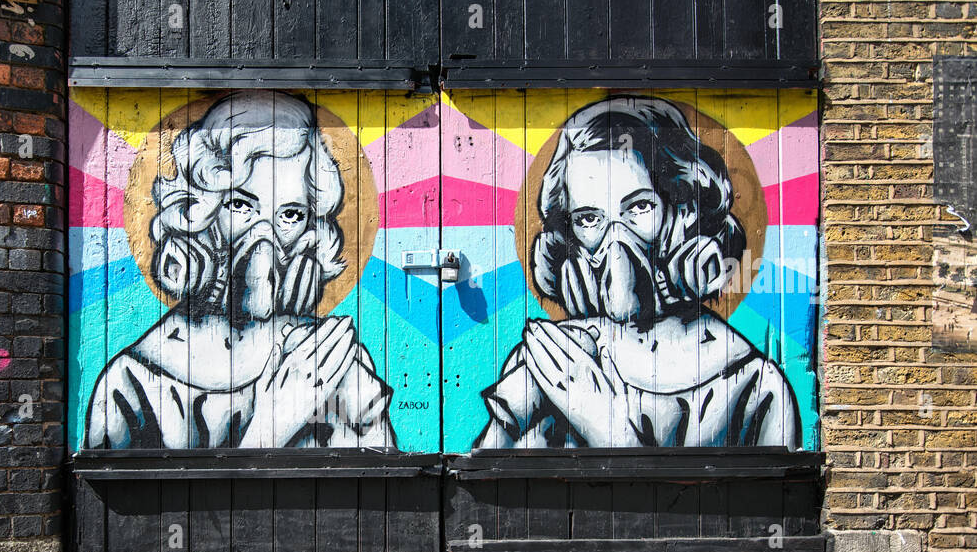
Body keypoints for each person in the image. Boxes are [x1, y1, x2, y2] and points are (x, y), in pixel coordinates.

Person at [475, 96, 801, 449]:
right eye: (589, 218)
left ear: (683, 210)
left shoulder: (755, 384)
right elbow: (491, 486)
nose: (616, 241)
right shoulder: (554, 358)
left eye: (639, 207)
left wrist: (608, 428)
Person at [85, 91, 395, 450]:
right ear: (197, 213)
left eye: (290, 214)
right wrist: (272, 426)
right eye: (240, 204)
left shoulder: (328, 358)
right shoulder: (131, 380)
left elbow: (373, 493)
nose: (265, 236)